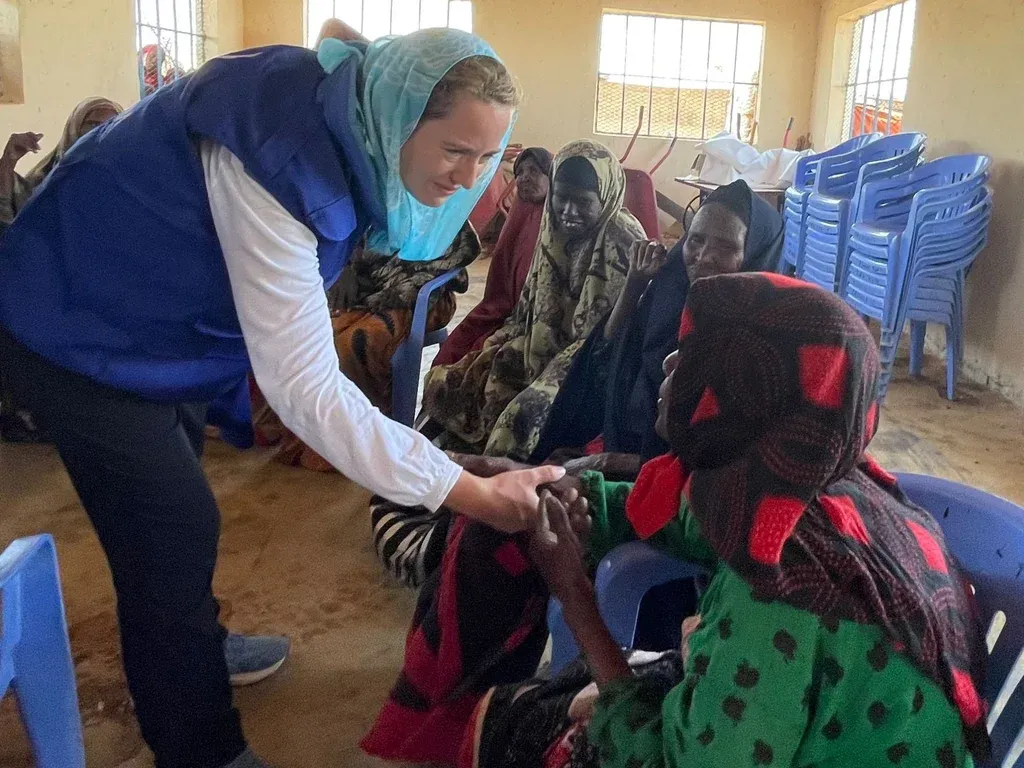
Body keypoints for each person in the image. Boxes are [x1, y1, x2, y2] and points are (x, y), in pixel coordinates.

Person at [0, 29, 564, 768]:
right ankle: (200, 745)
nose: (468, 177)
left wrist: (447, 471)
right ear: (399, 117)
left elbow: (341, 41)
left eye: (489, 156)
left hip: (155, 320)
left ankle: (193, 643)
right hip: (76, 320)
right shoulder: (276, 165)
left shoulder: (350, 106)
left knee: (178, 503)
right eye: (455, 149)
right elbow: (305, 390)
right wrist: (468, 493)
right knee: (171, 527)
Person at [458, 273, 991, 768]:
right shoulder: (819, 484)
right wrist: (580, 497)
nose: (670, 364)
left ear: (750, 390)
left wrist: (574, 595)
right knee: (554, 698)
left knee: (522, 724)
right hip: (820, 729)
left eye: (696, 352)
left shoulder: (780, 587)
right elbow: (692, 520)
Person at [532, 179, 783, 470]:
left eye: (726, 247)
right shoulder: (671, 294)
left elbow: (718, 461)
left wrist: (609, 462)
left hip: (674, 477)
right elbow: (603, 360)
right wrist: (634, 284)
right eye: (696, 240)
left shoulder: (759, 339)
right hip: (618, 441)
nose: (703, 258)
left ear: (755, 254)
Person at [423, 139, 646, 460]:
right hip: (541, 346)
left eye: (583, 202)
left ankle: (493, 479)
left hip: (588, 365)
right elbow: (528, 309)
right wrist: (497, 347)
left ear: (606, 197)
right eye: (561, 198)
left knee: (521, 419)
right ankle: (458, 459)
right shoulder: (552, 227)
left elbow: (608, 339)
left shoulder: (622, 238)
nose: (568, 212)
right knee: (450, 384)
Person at [251, 223, 481, 470]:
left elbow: (460, 252)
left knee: (355, 343)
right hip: (362, 288)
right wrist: (343, 267)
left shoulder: (443, 210)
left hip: (419, 296)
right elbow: (340, 240)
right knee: (306, 338)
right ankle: (307, 436)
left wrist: (389, 287)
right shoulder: (370, 203)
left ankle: (358, 444)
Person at [0, 97, 123, 443]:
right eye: (91, 125)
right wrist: (8, 163)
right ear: (73, 129)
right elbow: (10, 230)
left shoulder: (127, 178)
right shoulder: (47, 179)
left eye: (111, 125)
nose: (100, 133)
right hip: (49, 289)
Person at [433, 146, 553, 367]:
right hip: (501, 311)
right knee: (452, 352)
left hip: (534, 322)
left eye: (534, 171)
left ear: (551, 176)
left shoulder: (557, 227)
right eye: (520, 172)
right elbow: (499, 288)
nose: (524, 178)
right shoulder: (517, 218)